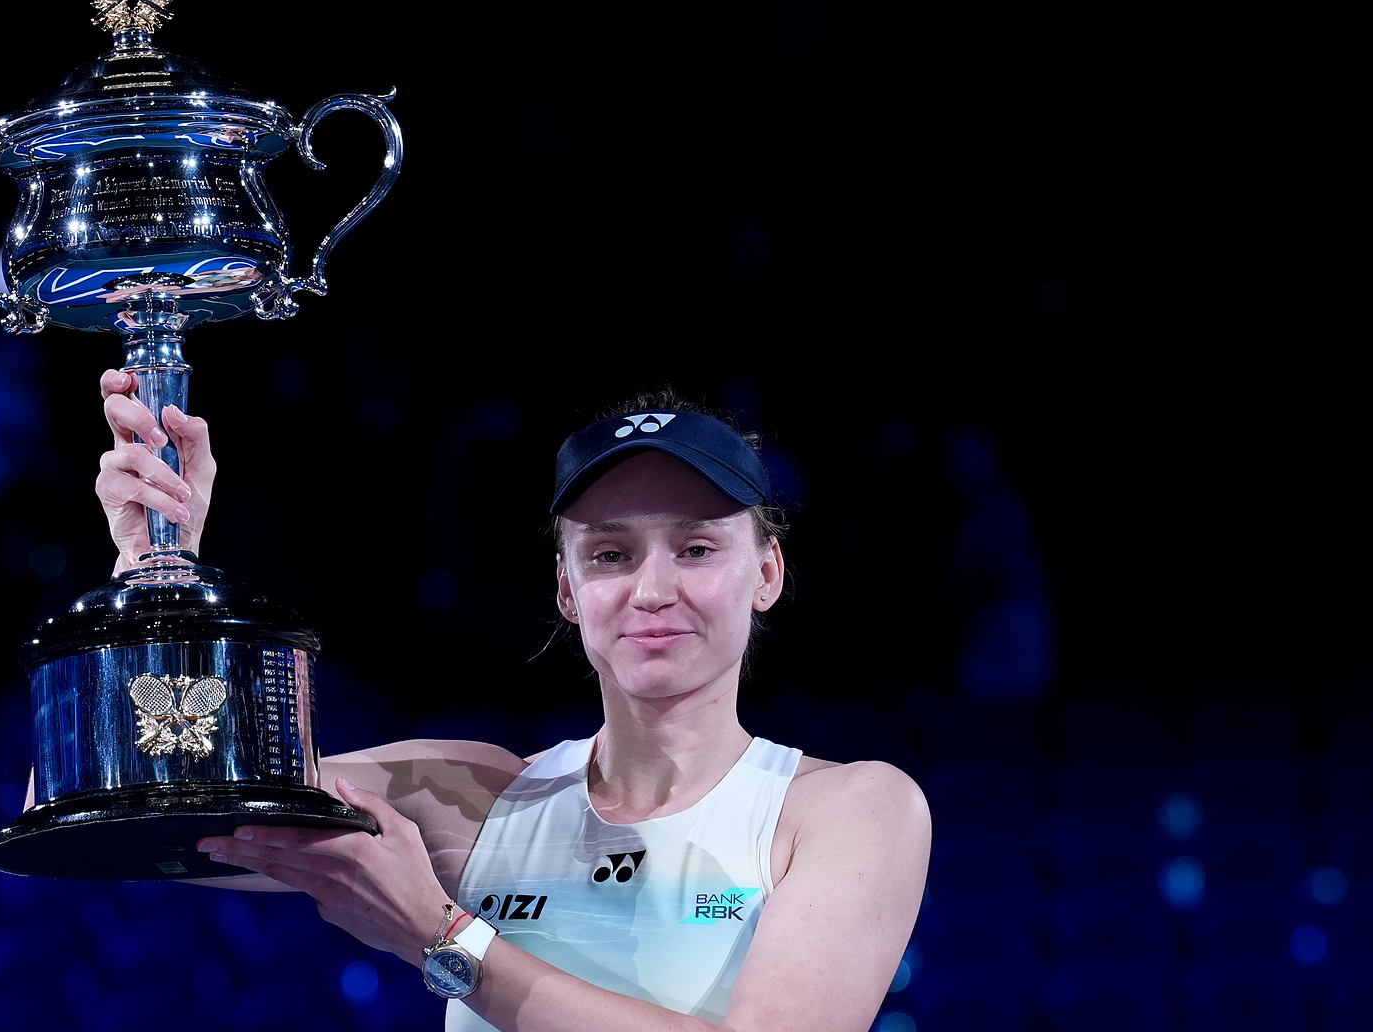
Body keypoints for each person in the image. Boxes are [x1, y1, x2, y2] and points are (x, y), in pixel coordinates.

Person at [91, 371, 931, 1032]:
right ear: (566, 590)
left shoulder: (851, 809)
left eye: (698, 546)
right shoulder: (474, 800)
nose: (652, 589)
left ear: (768, 573)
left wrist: (444, 939)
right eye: (610, 555)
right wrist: (160, 570)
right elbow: (102, 802)